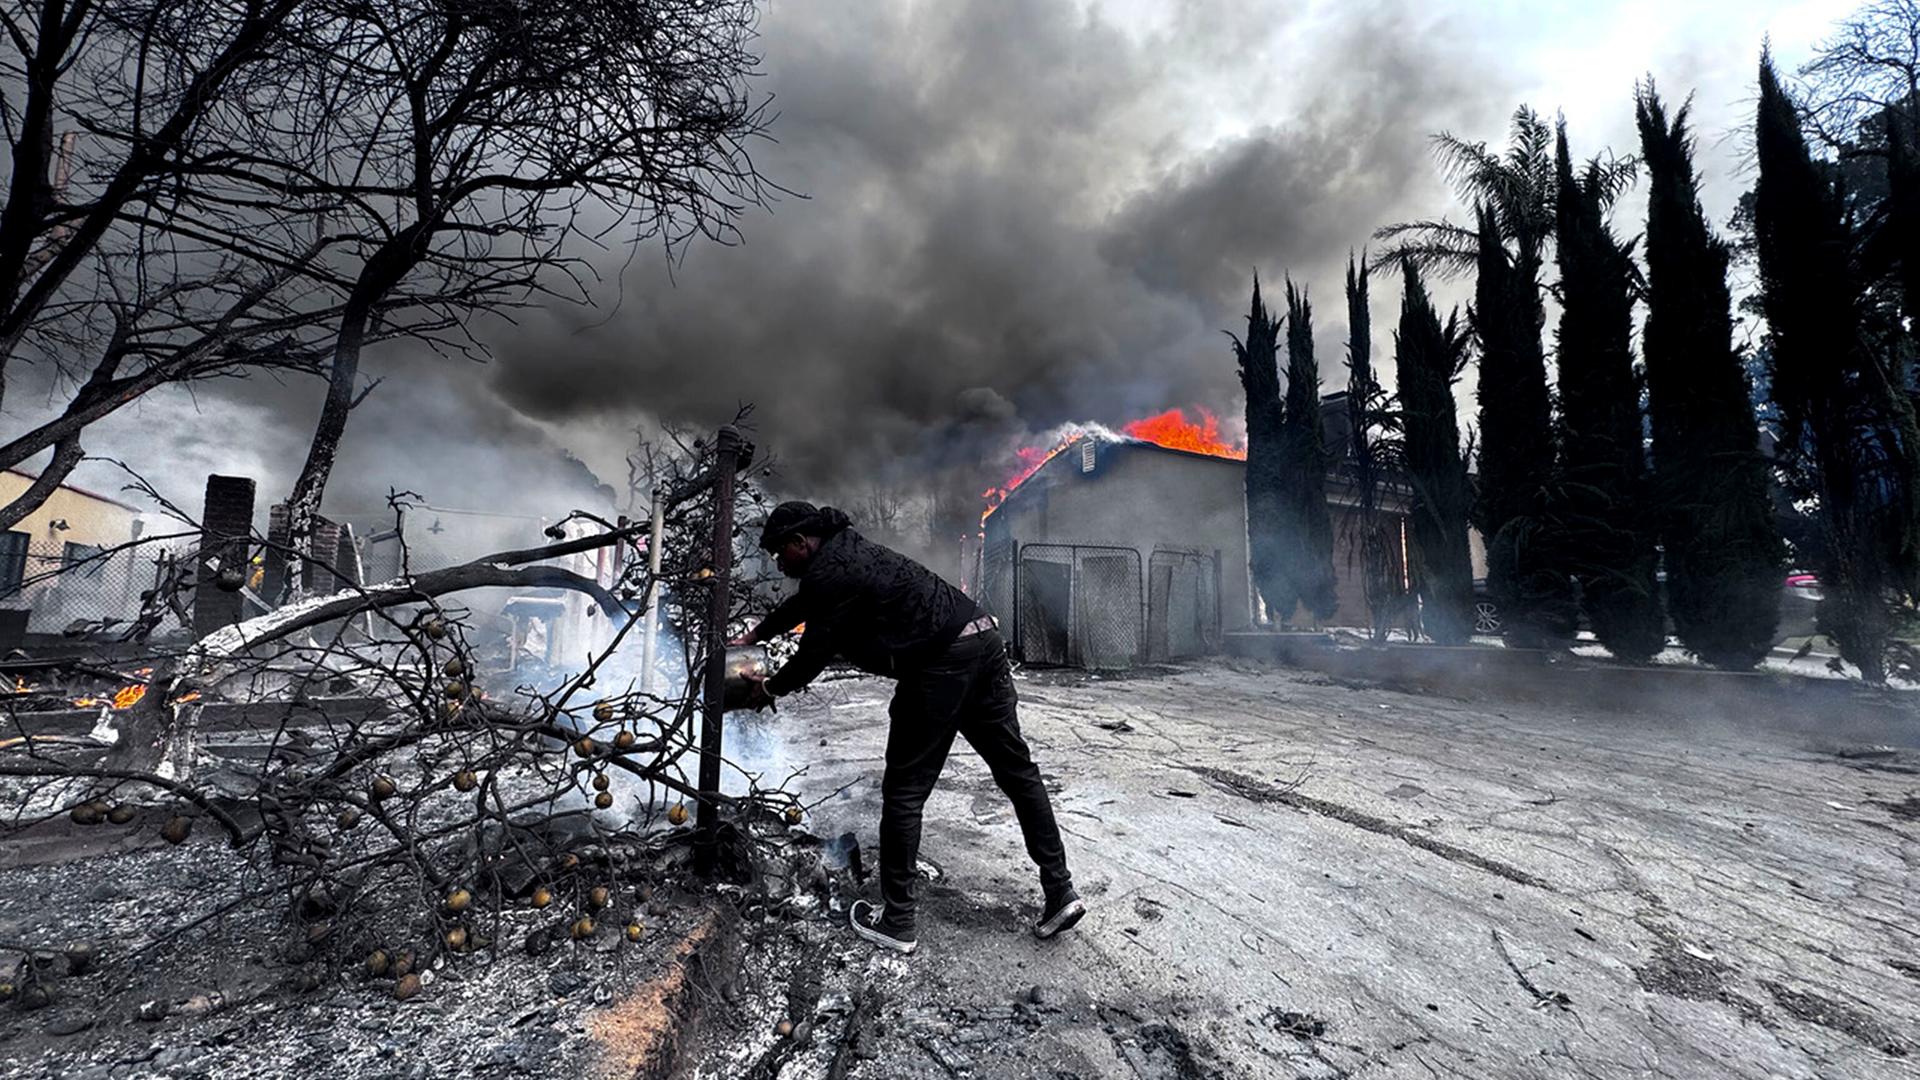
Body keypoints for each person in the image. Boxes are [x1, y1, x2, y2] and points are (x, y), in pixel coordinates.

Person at [734, 501, 1083, 954]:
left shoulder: (831, 572)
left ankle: (898, 921)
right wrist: (755, 636)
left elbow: (812, 655)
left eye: (780, 552)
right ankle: (1060, 891)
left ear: (801, 543)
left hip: (940, 666)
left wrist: (770, 689)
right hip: (982, 641)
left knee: (904, 792)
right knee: (1019, 774)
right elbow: (805, 605)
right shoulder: (844, 553)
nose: (778, 562)